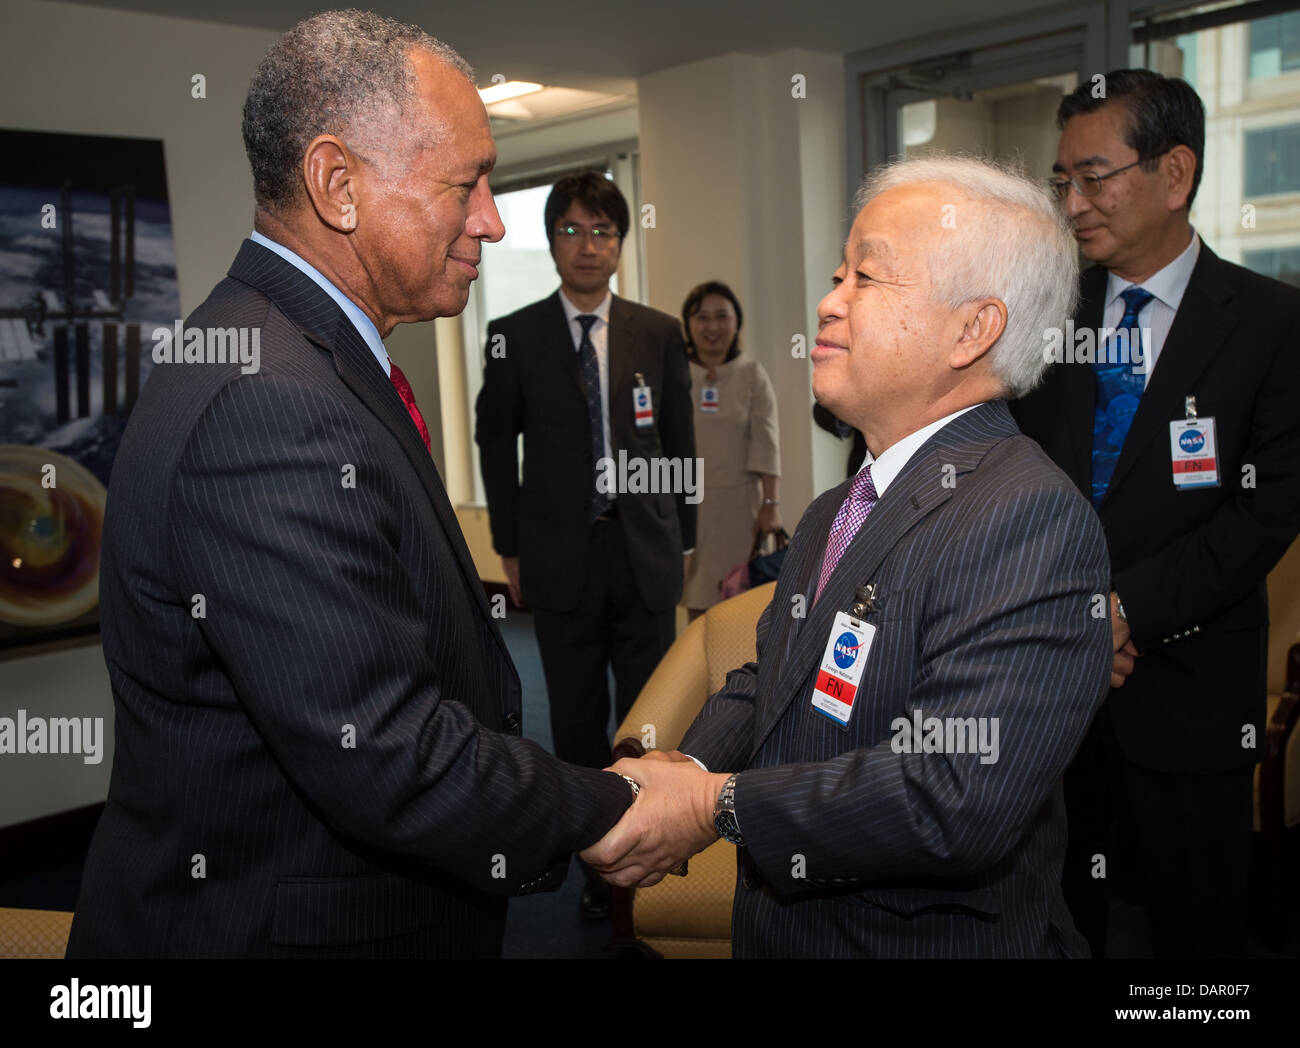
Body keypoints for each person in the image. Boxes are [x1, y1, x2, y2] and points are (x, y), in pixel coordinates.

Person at [65, 11, 637, 960]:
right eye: (468, 184)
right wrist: (618, 802)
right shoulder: (267, 400)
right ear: (337, 185)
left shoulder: (294, 355)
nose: (492, 220)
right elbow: (384, 752)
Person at [581, 155, 1114, 958]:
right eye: (840, 274)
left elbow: (952, 798)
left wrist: (712, 806)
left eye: (867, 278)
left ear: (974, 329)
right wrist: (679, 768)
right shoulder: (842, 503)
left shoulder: (1029, 516)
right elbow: (774, 678)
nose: (828, 303)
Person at [1013, 69, 1300, 958]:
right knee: (1059, 924)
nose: (1072, 202)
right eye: (1061, 180)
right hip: (1051, 695)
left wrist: (1122, 611)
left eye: (1093, 177)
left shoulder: (1271, 323)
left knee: (1194, 942)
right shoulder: (1044, 317)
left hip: (1188, 700)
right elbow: (1010, 479)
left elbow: (1262, 515)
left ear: (1174, 174)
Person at [474, 172, 696, 919]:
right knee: (573, 723)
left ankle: (646, 861)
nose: (588, 246)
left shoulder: (659, 333)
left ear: (620, 242)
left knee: (649, 716)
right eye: (572, 230)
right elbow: (495, 443)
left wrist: (687, 539)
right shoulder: (513, 335)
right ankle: (595, 873)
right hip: (560, 557)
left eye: (602, 231)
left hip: (645, 554)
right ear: (551, 240)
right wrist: (508, 543)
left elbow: (677, 440)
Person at [680, 280, 781, 617]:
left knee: (737, 598)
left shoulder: (751, 374)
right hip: (687, 505)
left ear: (737, 322)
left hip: (740, 507)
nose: (712, 327)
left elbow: (766, 440)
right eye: (702, 317)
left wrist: (771, 504)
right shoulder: (676, 372)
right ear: (688, 324)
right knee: (696, 599)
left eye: (722, 317)